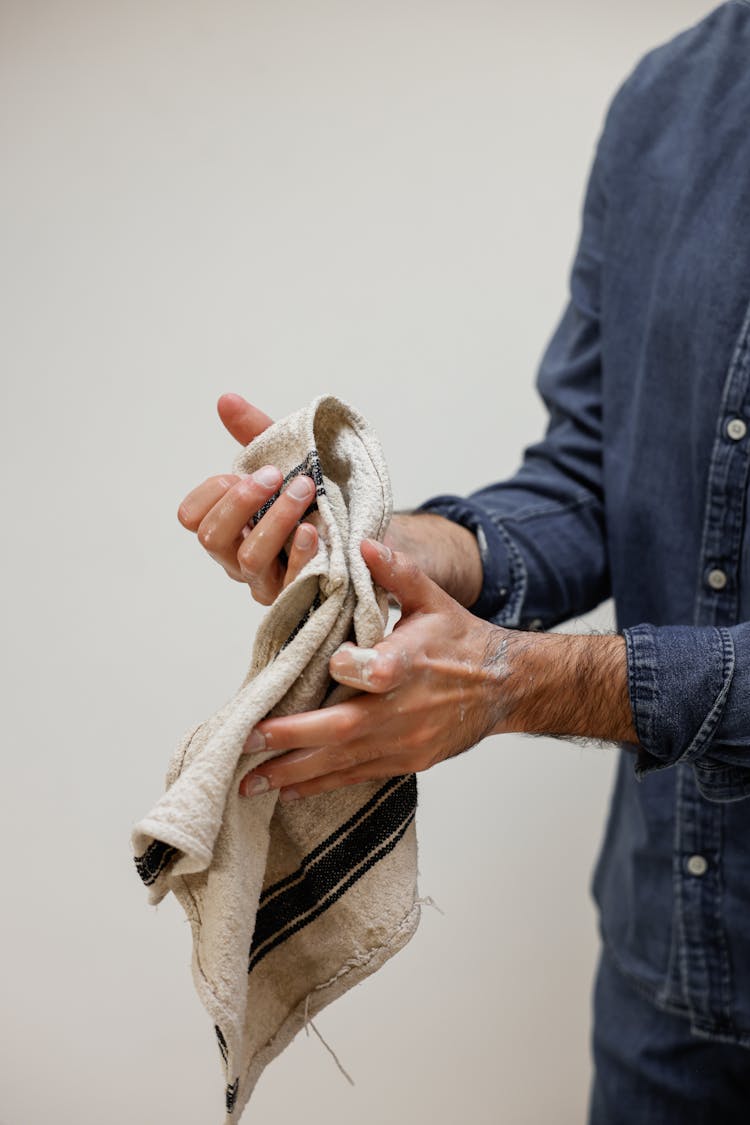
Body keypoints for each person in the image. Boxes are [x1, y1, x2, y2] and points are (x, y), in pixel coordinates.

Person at [176, 4, 750, 1120]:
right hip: (666, 976)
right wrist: (376, 548)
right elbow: (590, 472)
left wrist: (521, 682)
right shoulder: (666, 101)